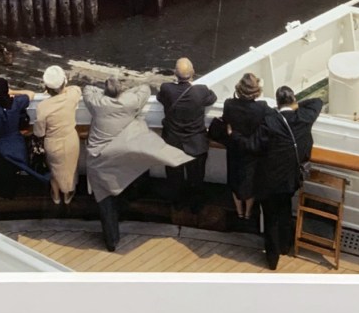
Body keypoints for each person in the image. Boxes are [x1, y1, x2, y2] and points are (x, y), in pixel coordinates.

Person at [82, 78, 192, 252]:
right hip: (123, 155)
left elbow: (87, 88)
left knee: (105, 200)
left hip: (100, 159)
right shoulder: (130, 101)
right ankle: (128, 205)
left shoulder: (97, 102)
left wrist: (102, 92)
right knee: (133, 173)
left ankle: (112, 241)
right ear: (121, 91)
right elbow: (145, 88)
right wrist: (128, 92)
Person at [248, 86, 324, 270]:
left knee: (271, 217)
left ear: (277, 102)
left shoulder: (270, 121)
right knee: (284, 210)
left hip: (269, 181)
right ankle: (285, 246)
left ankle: (272, 259)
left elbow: (254, 145)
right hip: (291, 179)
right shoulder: (304, 118)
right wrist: (295, 105)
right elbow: (317, 101)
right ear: (294, 101)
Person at [157, 58, 217, 211]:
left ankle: (177, 205)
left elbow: (159, 98)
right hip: (196, 142)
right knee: (196, 179)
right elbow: (213, 98)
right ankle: (196, 208)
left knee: (174, 178)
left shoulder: (167, 89)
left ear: (175, 74)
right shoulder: (201, 90)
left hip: (173, 142)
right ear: (193, 73)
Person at [0, 78, 48, 198]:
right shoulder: (17, 103)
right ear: (7, 90)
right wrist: (13, 92)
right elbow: (31, 94)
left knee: (2, 172)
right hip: (16, 145)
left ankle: (4, 192)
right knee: (13, 170)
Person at [222, 72, 269, 222]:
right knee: (251, 182)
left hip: (235, 149)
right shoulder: (262, 108)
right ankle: (248, 213)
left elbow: (226, 122)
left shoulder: (229, 104)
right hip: (253, 151)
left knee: (234, 180)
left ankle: (239, 212)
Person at [34, 65, 82, 205]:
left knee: (54, 171)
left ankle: (55, 196)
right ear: (64, 83)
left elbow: (39, 132)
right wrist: (64, 87)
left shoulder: (43, 107)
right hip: (70, 141)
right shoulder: (71, 96)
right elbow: (76, 89)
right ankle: (67, 195)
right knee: (70, 170)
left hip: (53, 144)